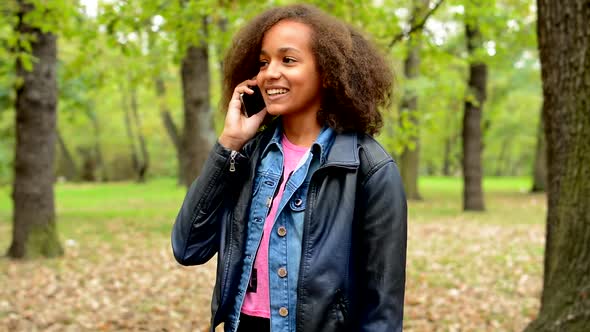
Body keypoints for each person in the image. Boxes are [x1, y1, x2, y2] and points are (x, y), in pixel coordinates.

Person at [171, 4, 407, 332]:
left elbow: (383, 306)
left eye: (289, 60)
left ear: (328, 72)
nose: (270, 73)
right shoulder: (248, 156)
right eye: (264, 62)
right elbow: (187, 247)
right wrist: (228, 146)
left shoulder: (368, 168)